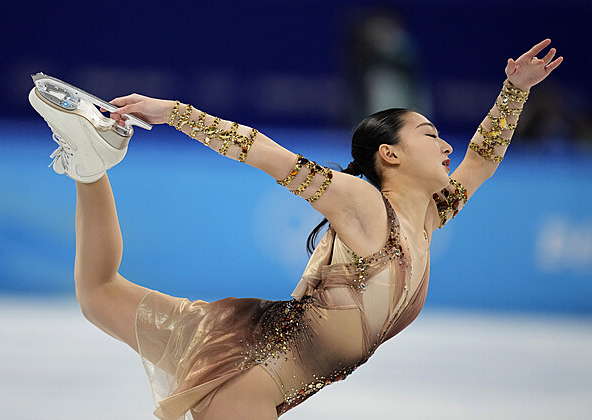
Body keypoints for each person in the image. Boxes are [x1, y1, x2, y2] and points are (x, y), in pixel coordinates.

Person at [28, 39, 562, 420]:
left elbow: (481, 159)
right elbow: (264, 152)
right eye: (430, 134)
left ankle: (90, 167)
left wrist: (513, 91)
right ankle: (91, 164)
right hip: (249, 381)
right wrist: (174, 111)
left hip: (252, 357)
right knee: (98, 293)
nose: (446, 146)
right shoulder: (362, 205)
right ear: (390, 154)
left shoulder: (426, 218)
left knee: (98, 293)